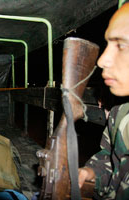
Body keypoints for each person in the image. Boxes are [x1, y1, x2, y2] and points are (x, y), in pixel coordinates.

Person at [78, 2, 129, 199]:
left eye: (121, 45)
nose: (101, 60)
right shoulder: (121, 113)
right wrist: (89, 172)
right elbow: (110, 157)